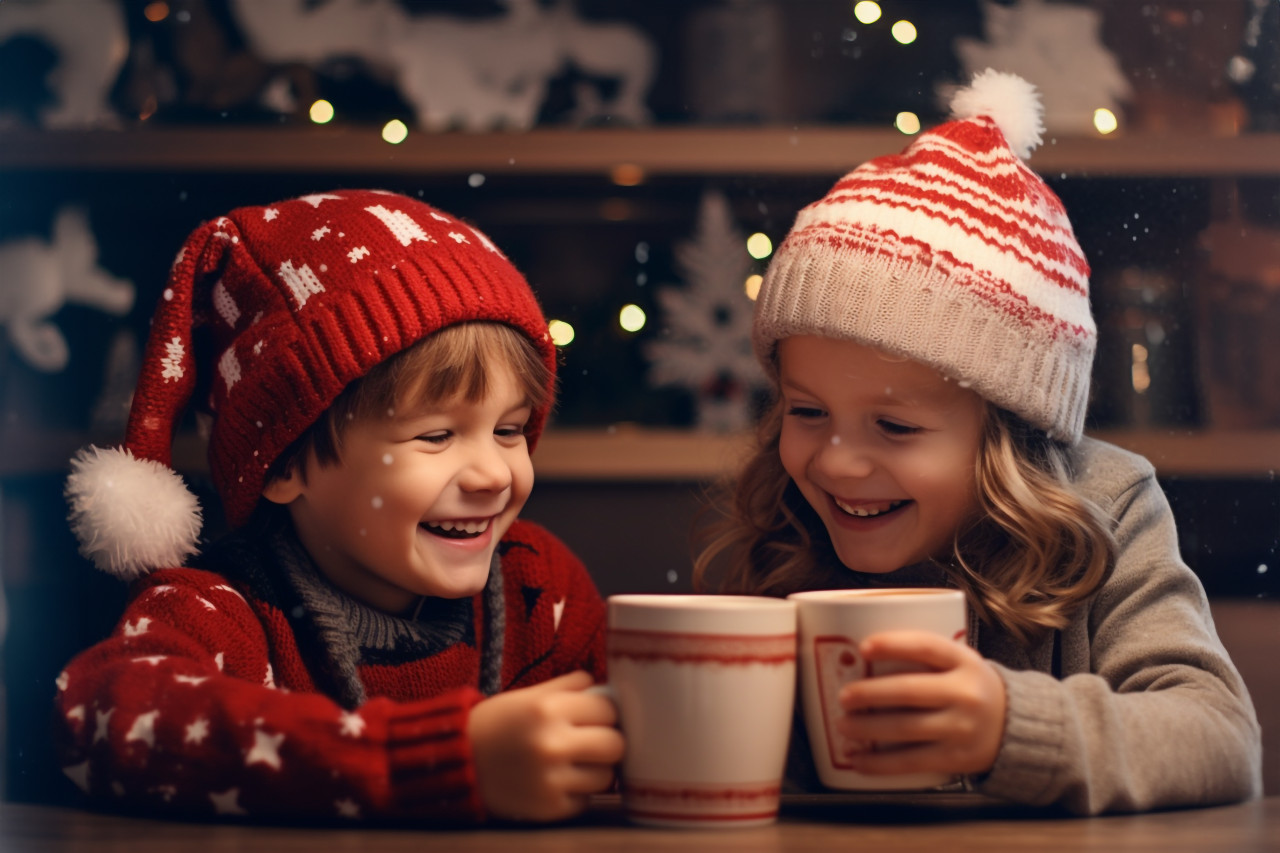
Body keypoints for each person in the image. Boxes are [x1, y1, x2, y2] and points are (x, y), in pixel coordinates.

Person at [694, 70, 1262, 815]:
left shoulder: (1107, 506)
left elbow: (1221, 737)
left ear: (1011, 432)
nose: (834, 459)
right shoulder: (788, 526)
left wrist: (1008, 726)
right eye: (806, 411)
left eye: (894, 425)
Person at [54, 189, 623, 823]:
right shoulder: (221, 615)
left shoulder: (538, 590)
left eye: (510, 430)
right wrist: (430, 760)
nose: (493, 474)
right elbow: (100, 718)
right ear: (286, 463)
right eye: (436, 435)